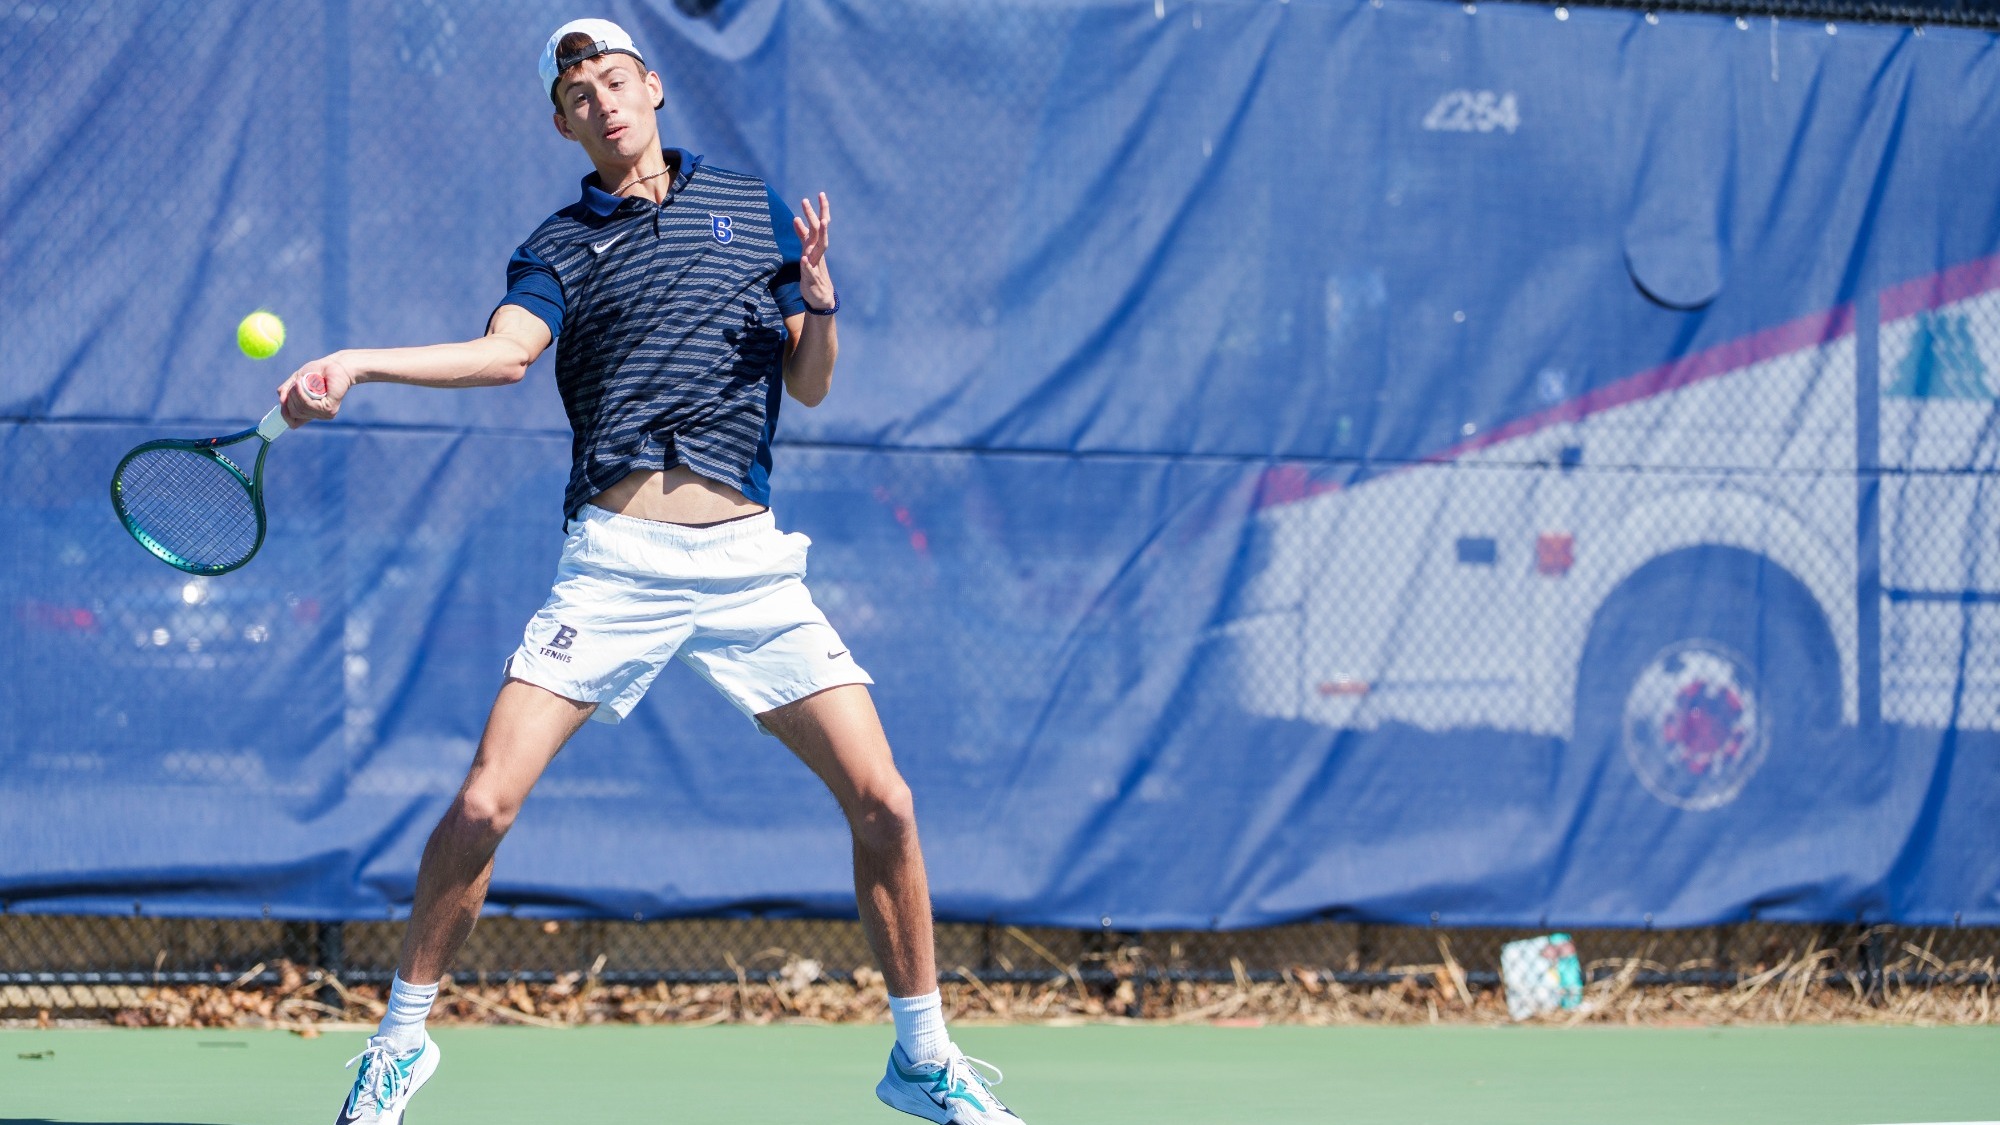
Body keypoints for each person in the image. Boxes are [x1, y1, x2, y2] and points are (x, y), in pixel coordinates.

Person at [282, 19, 1022, 1125]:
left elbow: (809, 384)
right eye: (578, 93)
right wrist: (363, 361)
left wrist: (816, 296)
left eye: (615, 80)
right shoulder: (558, 248)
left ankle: (921, 1057)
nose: (602, 101)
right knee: (483, 806)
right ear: (562, 122)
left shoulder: (752, 207)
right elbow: (503, 353)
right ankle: (397, 1045)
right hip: (616, 562)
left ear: (654, 88)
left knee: (885, 802)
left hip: (748, 564)